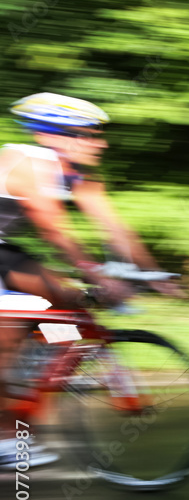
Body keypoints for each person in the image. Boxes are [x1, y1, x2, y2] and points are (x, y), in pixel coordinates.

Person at [0, 93, 176, 470]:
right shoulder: (29, 163)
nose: (102, 142)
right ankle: (5, 434)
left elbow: (115, 227)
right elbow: (52, 228)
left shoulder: (79, 174)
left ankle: (36, 372)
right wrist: (96, 274)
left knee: (70, 305)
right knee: (10, 330)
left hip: (4, 250)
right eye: (90, 134)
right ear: (54, 137)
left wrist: (155, 273)